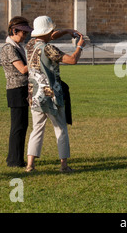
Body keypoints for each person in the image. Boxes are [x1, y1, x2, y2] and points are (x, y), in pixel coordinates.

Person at [25, 16, 85, 172]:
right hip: (51, 95)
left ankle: (30, 164)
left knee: (37, 129)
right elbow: (72, 60)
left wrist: (66, 31)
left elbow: (49, 36)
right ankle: (64, 165)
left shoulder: (30, 45)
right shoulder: (49, 49)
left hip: (35, 95)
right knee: (60, 128)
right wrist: (80, 47)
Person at [1, 16, 33, 167]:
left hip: (20, 89)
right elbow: (22, 69)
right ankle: (14, 160)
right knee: (18, 126)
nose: (25, 36)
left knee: (22, 125)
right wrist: (37, 60)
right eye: (23, 32)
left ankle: (16, 158)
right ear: (14, 31)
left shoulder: (16, 47)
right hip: (16, 90)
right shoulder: (9, 48)